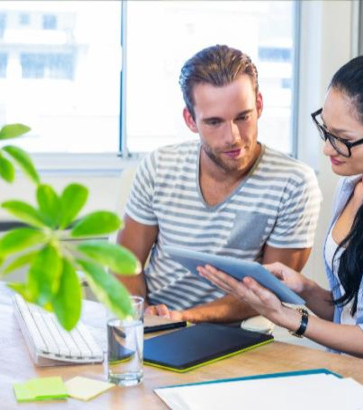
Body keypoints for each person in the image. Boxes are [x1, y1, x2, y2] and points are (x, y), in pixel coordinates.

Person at [199, 55, 363, 375]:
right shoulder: (352, 186)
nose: (327, 149)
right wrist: (305, 290)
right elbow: (350, 315)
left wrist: (290, 318)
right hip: (350, 371)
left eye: (343, 140)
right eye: (326, 130)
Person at [116, 44, 322, 323]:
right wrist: (141, 315)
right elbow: (125, 264)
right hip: (154, 321)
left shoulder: (294, 183)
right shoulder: (158, 167)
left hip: (235, 333)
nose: (233, 137)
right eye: (214, 122)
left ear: (259, 105)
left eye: (243, 117)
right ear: (190, 120)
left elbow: (272, 291)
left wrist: (184, 317)